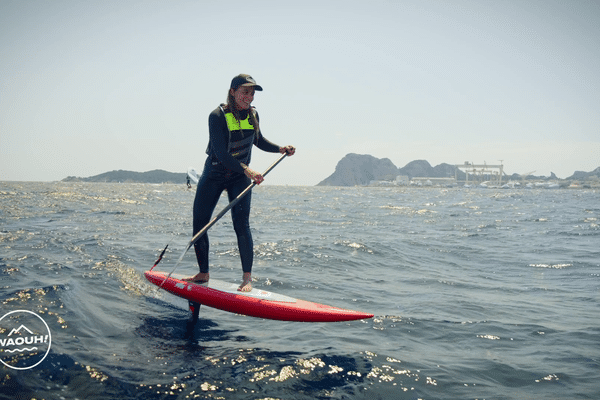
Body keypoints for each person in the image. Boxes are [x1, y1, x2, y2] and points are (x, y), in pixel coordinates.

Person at [184, 74, 295, 292]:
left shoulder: (253, 114)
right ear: (233, 91)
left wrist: (280, 148)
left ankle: (247, 278)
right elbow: (220, 153)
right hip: (215, 173)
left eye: (252, 93)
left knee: (241, 225)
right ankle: (203, 272)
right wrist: (248, 169)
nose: (249, 97)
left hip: (239, 177)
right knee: (199, 223)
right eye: (245, 92)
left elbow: (258, 140)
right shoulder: (216, 116)